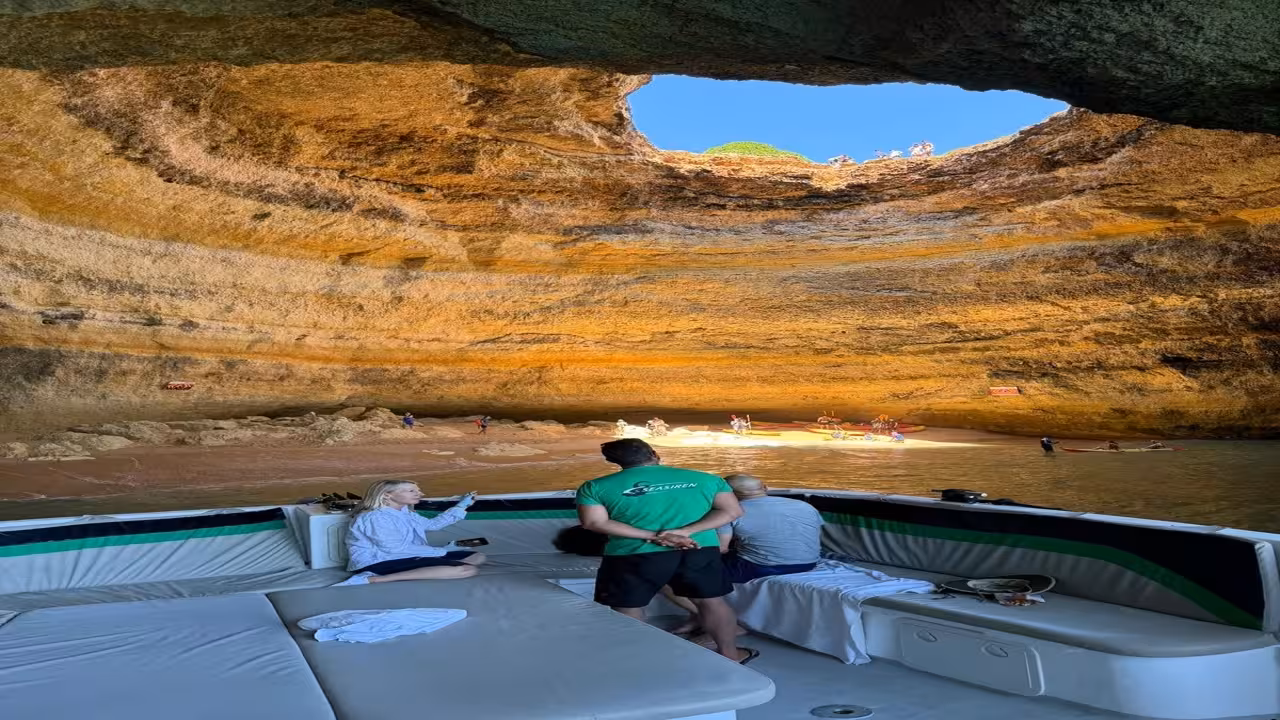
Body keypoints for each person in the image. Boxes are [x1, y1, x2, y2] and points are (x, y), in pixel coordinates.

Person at [576, 439, 756, 664]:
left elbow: (594, 523)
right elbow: (732, 511)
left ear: (612, 461)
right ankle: (730, 655)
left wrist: (653, 536)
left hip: (632, 553)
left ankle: (638, 662)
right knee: (711, 602)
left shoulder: (595, 487)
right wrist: (685, 532)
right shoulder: (707, 479)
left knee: (628, 607)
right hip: (697, 549)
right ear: (654, 453)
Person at [665, 474, 823, 637]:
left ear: (727, 494)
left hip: (763, 566)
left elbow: (721, 549)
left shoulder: (730, 512)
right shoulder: (805, 506)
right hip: (809, 562)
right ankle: (701, 616)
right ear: (765, 487)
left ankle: (707, 616)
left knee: (668, 574)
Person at [334, 481, 487, 586]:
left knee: (478, 557)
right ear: (387, 495)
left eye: (418, 490)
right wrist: (442, 551)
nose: (420, 493)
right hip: (379, 561)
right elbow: (394, 549)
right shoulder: (375, 517)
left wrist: (462, 506)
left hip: (406, 555)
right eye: (411, 491)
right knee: (468, 569)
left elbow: (433, 525)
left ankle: (427, 569)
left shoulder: (404, 513)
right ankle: (373, 579)